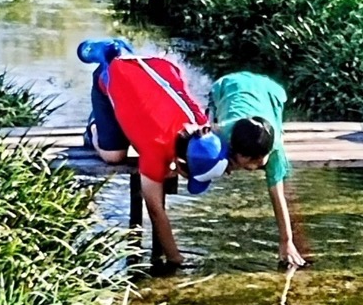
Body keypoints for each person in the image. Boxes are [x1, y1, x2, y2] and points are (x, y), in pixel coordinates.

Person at [79, 37, 205, 273]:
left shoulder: (200, 125)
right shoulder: (155, 148)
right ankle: (94, 126)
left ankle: (123, 54)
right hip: (111, 78)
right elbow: (155, 210)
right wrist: (175, 259)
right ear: (179, 161)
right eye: (188, 173)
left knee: (134, 114)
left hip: (158, 69)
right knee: (114, 155)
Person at [175, 67, 307, 271]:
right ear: (235, 150)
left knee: (275, 125)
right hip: (226, 86)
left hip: (270, 92)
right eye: (251, 162)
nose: (255, 167)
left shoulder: (274, 151)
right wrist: (184, 168)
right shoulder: (219, 135)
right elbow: (188, 137)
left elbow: (277, 195)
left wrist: (286, 241)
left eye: (260, 162)